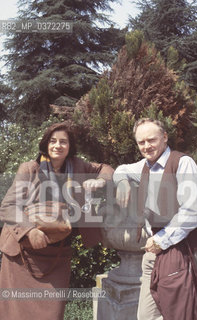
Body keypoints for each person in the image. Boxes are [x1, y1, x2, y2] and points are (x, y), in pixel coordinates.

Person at [0, 122, 114, 320]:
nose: (57, 145)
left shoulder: (78, 166)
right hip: (23, 254)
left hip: (58, 254)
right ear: (46, 144)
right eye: (53, 141)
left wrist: (100, 181)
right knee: (16, 314)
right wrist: (30, 231)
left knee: (52, 312)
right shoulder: (29, 169)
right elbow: (8, 206)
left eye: (63, 141)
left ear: (70, 146)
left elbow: (106, 168)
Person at [113, 118, 197, 320]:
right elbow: (121, 169)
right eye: (141, 142)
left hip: (186, 249)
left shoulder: (183, 164)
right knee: (146, 316)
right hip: (155, 252)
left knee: (181, 314)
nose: (146, 146)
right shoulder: (145, 166)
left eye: (151, 140)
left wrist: (160, 240)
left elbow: (193, 211)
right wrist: (122, 181)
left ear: (165, 137)